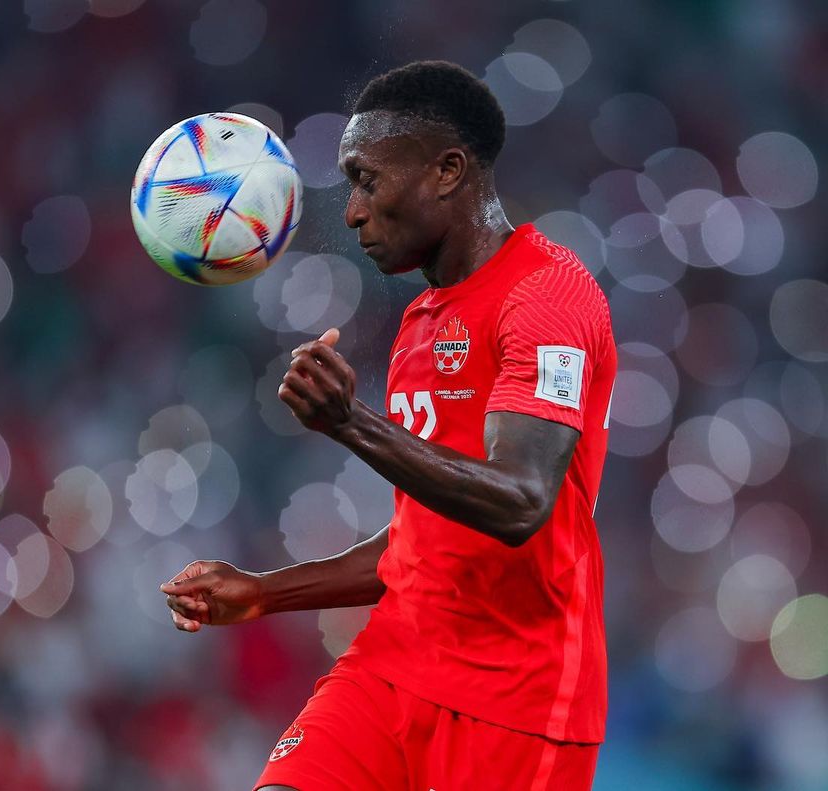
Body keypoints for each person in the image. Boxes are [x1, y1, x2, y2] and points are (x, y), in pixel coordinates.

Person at [160, 60, 616, 791]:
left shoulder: (547, 297)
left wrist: (351, 425)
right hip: (395, 663)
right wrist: (265, 593)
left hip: (518, 696)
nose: (352, 212)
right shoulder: (420, 325)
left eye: (367, 181)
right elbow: (422, 543)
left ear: (447, 171)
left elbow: (521, 500)